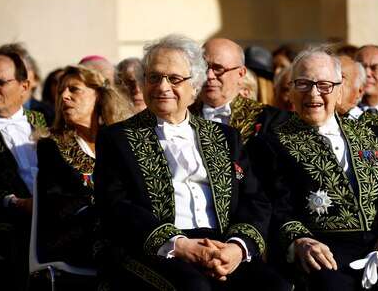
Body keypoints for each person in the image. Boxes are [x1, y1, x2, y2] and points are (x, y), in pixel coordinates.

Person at [94, 34, 289, 290]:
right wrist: (180, 245)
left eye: (174, 79)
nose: (163, 87)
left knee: (276, 286)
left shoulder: (225, 136)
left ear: (194, 86)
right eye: (154, 77)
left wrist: (237, 247)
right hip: (153, 248)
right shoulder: (117, 137)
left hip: (221, 245)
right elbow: (116, 205)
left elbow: (254, 199)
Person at [248, 46, 378, 290]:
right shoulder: (270, 143)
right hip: (323, 254)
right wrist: (300, 241)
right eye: (303, 84)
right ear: (290, 90)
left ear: (339, 89)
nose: (313, 94)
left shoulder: (371, 135)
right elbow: (277, 206)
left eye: (324, 85)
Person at [36, 65, 129, 267]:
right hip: (73, 236)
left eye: (74, 89)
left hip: (119, 229)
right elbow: (57, 203)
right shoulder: (51, 146)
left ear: (98, 95)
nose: (64, 97)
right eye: (61, 92)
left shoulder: (119, 142)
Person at [0, 50, 47, 291]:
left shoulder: (47, 119)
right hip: (3, 220)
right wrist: (14, 202)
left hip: (52, 214)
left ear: (24, 86)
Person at [190, 38, 289, 144]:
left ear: (241, 74)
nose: (209, 76)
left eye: (218, 69)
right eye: (204, 68)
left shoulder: (269, 119)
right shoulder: (182, 116)